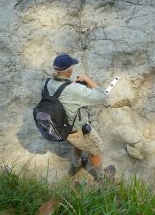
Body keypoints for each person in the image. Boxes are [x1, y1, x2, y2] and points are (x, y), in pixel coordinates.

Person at [46, 53, 114, 181]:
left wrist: (74, 86)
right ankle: (102, 178)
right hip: (77, 130)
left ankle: (76, 165)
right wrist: (87, 80)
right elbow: (102, 97)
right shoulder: (75, 89)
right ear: (70, 71)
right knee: (95, 150)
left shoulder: (47, 83)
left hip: (61, 128)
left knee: (77, 143)